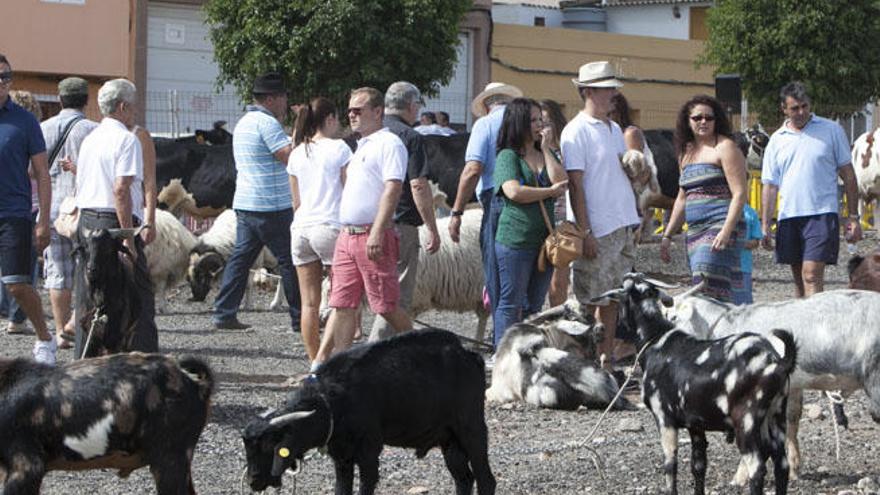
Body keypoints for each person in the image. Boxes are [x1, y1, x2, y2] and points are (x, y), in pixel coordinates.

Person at [312, 87, 412, 368]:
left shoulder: (389, 144)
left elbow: (393, 187)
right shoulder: (361, 145)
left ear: (378, 111)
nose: (351, 115)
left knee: (385, 305)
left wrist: (379, 231)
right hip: (348, 234)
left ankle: (422, 348)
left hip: (370, 233)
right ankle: (342, 367)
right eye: (350, 110)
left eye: (358, 110)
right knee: (342, 304)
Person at [561, 61, 640, 371]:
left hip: (620, 223)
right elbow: (575, 186)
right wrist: (585, 231)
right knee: (588, 299)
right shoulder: (575, 132)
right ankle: (583, 363)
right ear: (589, 91)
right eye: (607, 88)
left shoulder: (615, 128)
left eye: (613, 88)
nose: (613, 94)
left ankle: (605, 360)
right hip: (599, 226)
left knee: (614, 297)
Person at [73, 78, 158, 357]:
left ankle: (83, 363)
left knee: (88, 297)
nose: (135, 112)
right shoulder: (126, 139)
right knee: (137, 296)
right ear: (123, 107)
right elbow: (121, 190)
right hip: (114, 225)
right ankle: (143, 361)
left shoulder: (90, 139)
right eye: (133, 107)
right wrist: (130, 241)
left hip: (87, 221)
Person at [212, 73, 301, 331]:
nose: (286, 101)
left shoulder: (245, 123)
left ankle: (224, 312)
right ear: (272, 98)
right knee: (289, 260)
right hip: (271, 204)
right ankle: (299, 318)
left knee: (241, 259)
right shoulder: (267, 124)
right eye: (283, 97)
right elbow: (289, 157)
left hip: (246, 202)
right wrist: (299, 126)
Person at [761, 81, 862, 298]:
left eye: (804, 106)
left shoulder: (831, 130)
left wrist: (852, 216)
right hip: (789, 216)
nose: (801, 112)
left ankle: (818, 329)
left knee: (811, 274)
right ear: (784, 109)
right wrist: (765, 224)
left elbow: (849, 175)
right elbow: (769, 185)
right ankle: (802, 328)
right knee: (799, 280)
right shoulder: (777, 140)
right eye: (795, 108)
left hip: (821, 214)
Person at [493, 98, 568, 347]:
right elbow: (513, 192)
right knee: (511, 301)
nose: (539, 126)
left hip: (544, 243)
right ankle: (503, 352)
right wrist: (548, 192)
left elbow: (561, 181)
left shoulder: (546, 152)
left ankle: (527, 350)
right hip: (515, 240)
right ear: (519, 123)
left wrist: (546, 149)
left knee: (534, 305)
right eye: (533, 120)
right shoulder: (508, 156)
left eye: (541, 120)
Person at [369, 81, 441, 341]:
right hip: (399, 222)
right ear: (411, 106)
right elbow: (418, 185)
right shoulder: (410, 137)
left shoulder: (370, 131)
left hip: (366, 221)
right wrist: (432, 227)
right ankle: (376, 351)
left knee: (367, 291)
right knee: (397, 292)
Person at [660, 95, 748, 303]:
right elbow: (683, 197)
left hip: (721, 225)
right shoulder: (686, 152)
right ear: (687, 121)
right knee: (706, 286)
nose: (703, 122)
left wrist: (726, 231)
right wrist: (667, 234)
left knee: (706, 281)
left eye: (709, 118)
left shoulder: (725, 147)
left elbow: (740, 193)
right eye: (697, 118)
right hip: (695, 230)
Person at [448, 82, 523, 323]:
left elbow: (473, 169)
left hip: (497, 199)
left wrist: (457, 211)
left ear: (488, 105)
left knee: (496, 271)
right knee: (522, 271)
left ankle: (502, 338)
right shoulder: (524, 124)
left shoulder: (485, 124)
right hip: (528, 197)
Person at [0, 54, 55, 364]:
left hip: (13, 215)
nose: (2, 82)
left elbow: (43, 174)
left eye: (6, 76)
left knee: (18, 285)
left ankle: (45, 339)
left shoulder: (25, 121)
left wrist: (43, 221)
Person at [287, 97, 351, 362]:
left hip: (301, 228)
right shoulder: (340, 149)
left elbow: (296, 201)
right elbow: (350, 192)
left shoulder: (296, 152)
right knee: (341, 299)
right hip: (330, 225)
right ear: (330, 119)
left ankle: (314, 359)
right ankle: (330, 358)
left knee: (309, 304)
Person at [39, 77, 98, 349]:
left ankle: (61, 330)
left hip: (51, 208)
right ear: (86, 100)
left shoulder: (43, 129)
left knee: (57, 271)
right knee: (87, 269)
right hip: (83, 209)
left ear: (60, 99)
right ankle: (78, 325)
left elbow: (32, 171)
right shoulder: (93, 131)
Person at [1, 90, 41, 335]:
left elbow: (40, 171)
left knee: (17, 276)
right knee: (25, 271)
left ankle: (39, 333)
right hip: (28, 206)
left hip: (20, 209)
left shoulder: (25, 126)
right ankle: (17, 316)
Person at [539, 99, 571, 307]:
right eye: (539, 123)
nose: (543, 128)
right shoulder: (528, 153)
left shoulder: (564, 151)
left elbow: (560, 180)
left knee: (558, 282)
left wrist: (546, 150)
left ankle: (557, 316)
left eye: (547, 122)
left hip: (560, 221)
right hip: (537, 221)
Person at [735, 204, 763, 305]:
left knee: (744, 306)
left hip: (743, 267)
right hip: (722, 266)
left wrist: (737, 243)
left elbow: (756, 241)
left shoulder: (750, 212)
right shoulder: (721, 207)